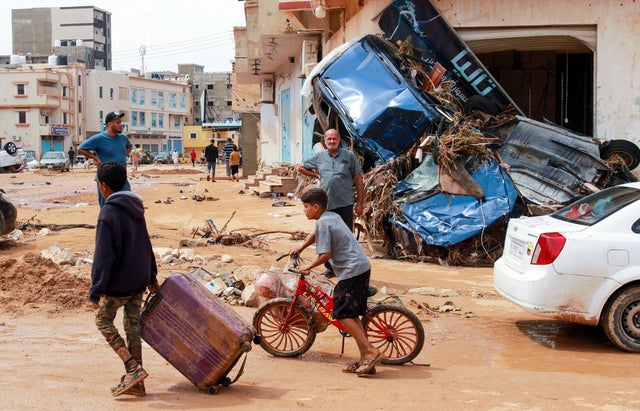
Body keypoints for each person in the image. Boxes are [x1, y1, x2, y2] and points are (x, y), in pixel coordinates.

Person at [291, 187, 381, 376]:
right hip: (360, 267)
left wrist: (307, 267)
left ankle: (371, 351)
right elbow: (316, 235)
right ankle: (365, 357)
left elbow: (325, 255)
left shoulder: (324, 223)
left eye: (306, 207)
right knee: (350, 314)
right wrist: (300, 248)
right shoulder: (330, 217)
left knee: (339, 313)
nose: (304, 210)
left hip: (352, 270)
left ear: (316, 207)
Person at [88, 162, 159, 397]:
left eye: (98, 183)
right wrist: (151, 276)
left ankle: (132, 368)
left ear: (104, 186)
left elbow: (103, 257)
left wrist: (96, 290)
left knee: (103, 321)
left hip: (119, 283)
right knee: (132, 327)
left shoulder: (107, 214)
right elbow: (145, 243)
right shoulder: (135, 207)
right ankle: (137, 382)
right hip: (138, 279)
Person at [297, 128, 364, 277]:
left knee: (345, 237)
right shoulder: (319, 157)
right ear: (325, 142)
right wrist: (315, 174)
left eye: (334, 138)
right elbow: (300, 167)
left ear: (339, 140)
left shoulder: (349, 156)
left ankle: (348, 268)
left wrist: (360, 203)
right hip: (325, 206)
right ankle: (330, 268)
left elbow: (359, 180)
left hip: (344, 203)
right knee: (325, 237)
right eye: (329, 139)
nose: (332, 141)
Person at [78, 111, 132, 208]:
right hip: (106, 180)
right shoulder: (99, 138)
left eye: (121, 122)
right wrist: (96, 158)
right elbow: (80, 148)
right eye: (118, 123)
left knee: (127, 205)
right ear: (109, 124)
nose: (121, 125)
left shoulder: (123, 138)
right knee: (107, 207)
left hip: (122, 178)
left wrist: (121, 154)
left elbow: (129, 147)